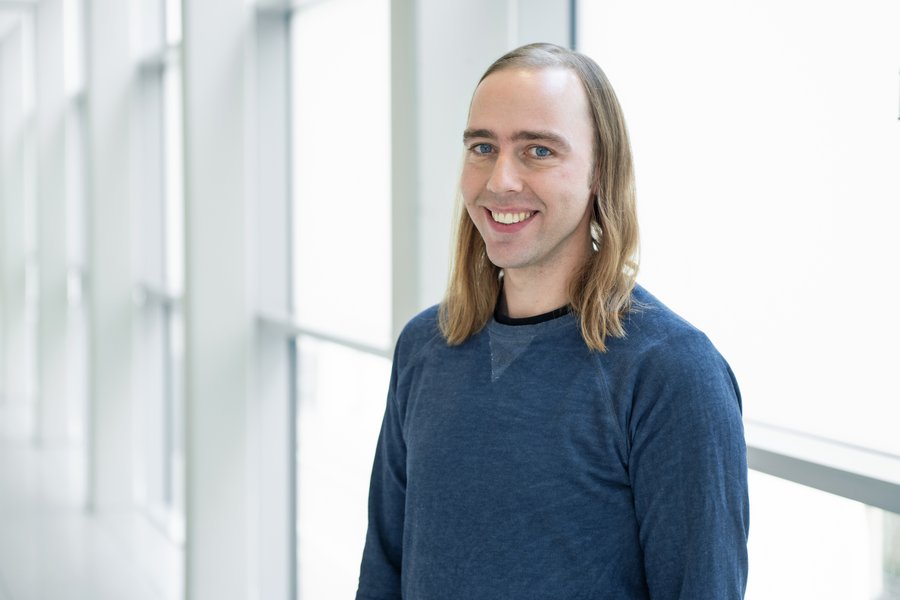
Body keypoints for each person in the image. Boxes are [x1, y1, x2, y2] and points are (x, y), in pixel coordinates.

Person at [356, 42, 749, 600]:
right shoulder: (426, 345)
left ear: (599, 173)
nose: (501, 181)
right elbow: (384, 571)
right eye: (483, 147)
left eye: (538, 151)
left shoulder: (672, 373)